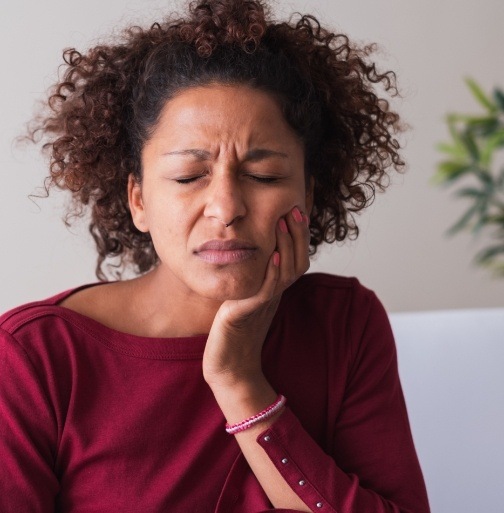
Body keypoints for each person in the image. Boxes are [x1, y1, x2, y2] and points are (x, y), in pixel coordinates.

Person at [0, 0, 430, 511]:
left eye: (264, 176)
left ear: (308, 197)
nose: (225, 209)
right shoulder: (34, 359)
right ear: (138, 199)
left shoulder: (344, 324)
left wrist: (239, 380)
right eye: (188, 177)